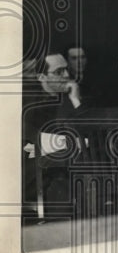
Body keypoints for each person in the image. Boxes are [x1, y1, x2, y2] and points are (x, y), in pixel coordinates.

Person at [23, 53, 86, 207]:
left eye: (66, 70)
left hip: (68, 164)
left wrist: (75, 100)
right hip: (39, 171)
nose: (66, 75)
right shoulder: (28, 104)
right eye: (58, 72)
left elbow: (88, 131)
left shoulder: (71, 97)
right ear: (41, 77)